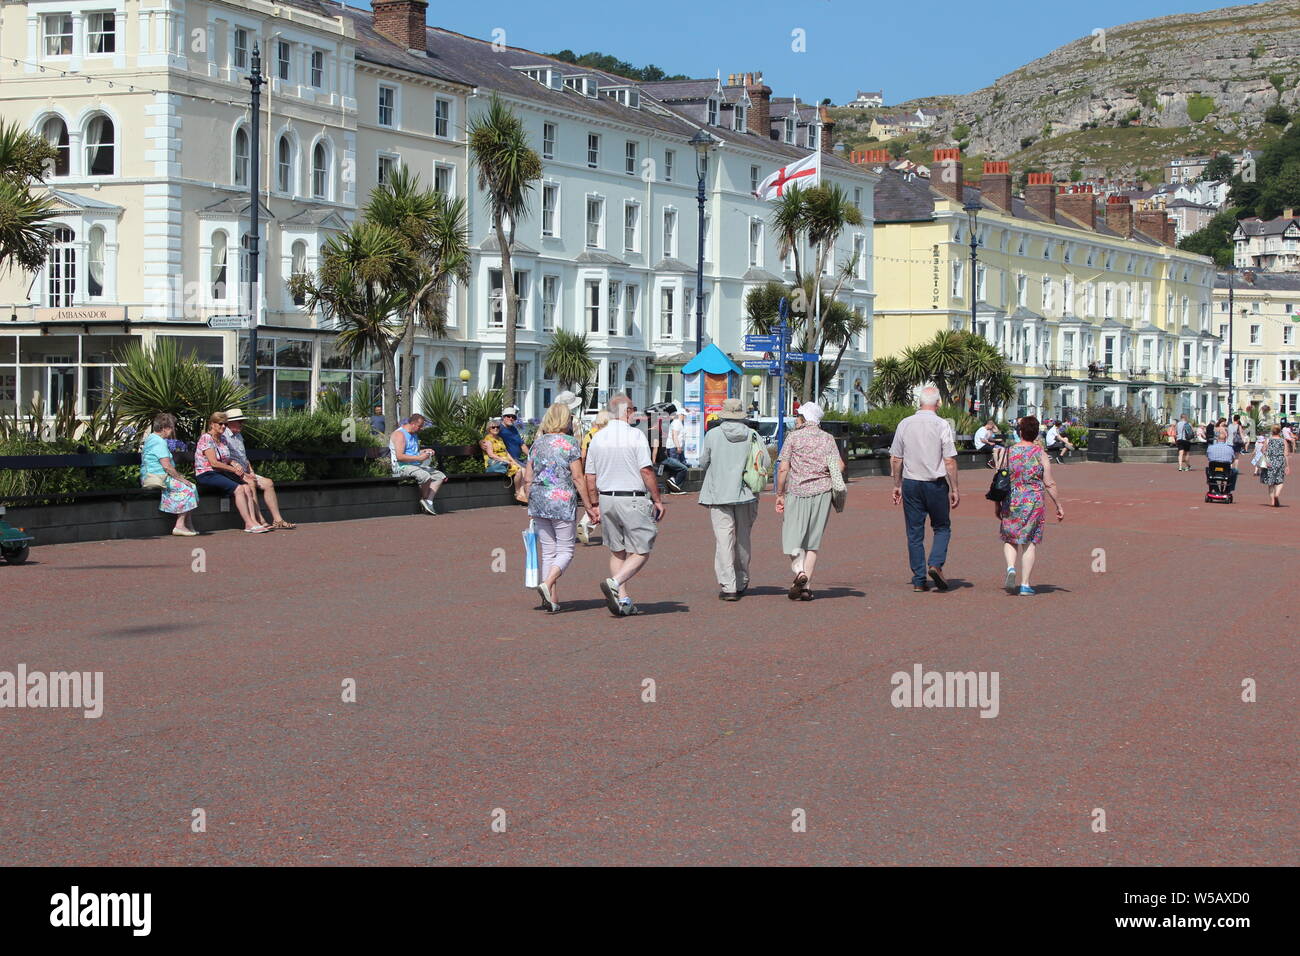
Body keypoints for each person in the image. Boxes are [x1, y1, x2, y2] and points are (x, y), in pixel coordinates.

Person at [585, 395, 665, 617]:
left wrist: (593, 504)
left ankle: (623, 599)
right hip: (632, 497)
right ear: (628, 411)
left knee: (617, 550)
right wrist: (657, 499)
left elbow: (589, 475)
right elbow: (646, 470)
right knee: (642, 548)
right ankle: (615, 582)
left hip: (607, 498)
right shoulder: (635, 435)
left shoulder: (598, 437)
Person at [524, 402, 594, 613]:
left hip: (539, 498)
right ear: (566, 420)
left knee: (548, 552)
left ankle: (551, 599)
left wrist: (531, 498)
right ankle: (548, 584)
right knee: (566, 550)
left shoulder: (537, 443)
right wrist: (589, 505)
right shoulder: (570, 443)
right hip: (561, 500)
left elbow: (528, 477)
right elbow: (578, 477)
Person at [890, 386, 960, 592]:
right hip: (935, 483)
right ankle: (935, 563)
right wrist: (955, 488)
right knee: (942, 527)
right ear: (938, 403)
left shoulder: (905, 424)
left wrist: (896, 484)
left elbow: (896, 458)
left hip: (911, 482)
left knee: (914, 533)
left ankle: (919, 579)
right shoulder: (941, 425)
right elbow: (949, 460)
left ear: (919, 403)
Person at [775, 401, 842, 601]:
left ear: (804, 418)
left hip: (797, 491)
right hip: (822, 492)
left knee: (792, 538)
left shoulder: (793, 438)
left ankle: (800, 573)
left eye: (798, 416)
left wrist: (780, 493)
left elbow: (783, 468)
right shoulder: (828, 438)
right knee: (812, 542)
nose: (796, 419)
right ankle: (806, 588)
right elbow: (839, 465)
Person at [699, 398, 759, 601]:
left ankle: (728, 585)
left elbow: (703, 461)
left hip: (719, 493)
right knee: (743, 538)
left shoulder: (713, 435)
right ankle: (742, 580)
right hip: (746, 493)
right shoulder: (752, 435)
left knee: (724, 540)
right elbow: (764, 461)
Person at [995, 416, 1063, 596]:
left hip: (1012, 499)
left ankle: (1011, 568)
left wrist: (997, 503)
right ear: (1036, 433)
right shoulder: (1039, 453)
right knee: (1029, 541)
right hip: (1033, 501)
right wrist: (1058, 505)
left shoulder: (1008, 452)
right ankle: (1025, 584)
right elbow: (1049, 482)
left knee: (1010, 537)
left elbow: (999, 480)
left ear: (1020, 432)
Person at [223, 409, 295, 530]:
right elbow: (225, 458)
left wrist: (250, 470)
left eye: (243, 421)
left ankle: (278, 520)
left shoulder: (239, 435)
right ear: (230, 422)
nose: (242, 423)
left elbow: (243, 457)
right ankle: (259, 520)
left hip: (245, 471)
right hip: (234, 472)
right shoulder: (224, 436)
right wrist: (245, 473)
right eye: (239, 421)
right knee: (251, 483)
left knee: (268, 483)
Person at [194, 412, 266, 533]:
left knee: (247, 487)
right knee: (239, 489)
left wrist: (234, 463)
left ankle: (254, 521)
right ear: (212, 424)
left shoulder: (222, 439)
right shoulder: (206, 438)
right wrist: (233, 469)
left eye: (225, 424)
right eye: (220, 424)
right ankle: (248, 523)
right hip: (206, 473)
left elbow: (226, 458)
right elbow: (214, 463)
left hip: (220, 472)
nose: (223, 427)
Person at [139, 412, 199, 536]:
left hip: (151, 476)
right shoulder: (159, 442)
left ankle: (188, 523)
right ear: (165, 428)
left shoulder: (151, 438)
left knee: (191, 487)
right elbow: (167, 467)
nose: (172, 431)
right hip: (158, 478)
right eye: (171, 428)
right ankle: (180, 525)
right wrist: (182, 479)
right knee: (188, 488)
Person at [390, 414, 445, 515]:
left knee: (440, 476)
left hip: (415, 466)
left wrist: (425, 451)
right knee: (425, 476)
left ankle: (428, 501)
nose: (421, 428)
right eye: (420, 426)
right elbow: (400, 456)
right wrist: (419, 458)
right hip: (401, 467)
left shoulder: (413, 434)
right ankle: (424, 500)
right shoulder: (400, 435)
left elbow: (413, 453)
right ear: (413, 424)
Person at [577, 410, 611, 545]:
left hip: (591, 472)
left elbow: (583, 455)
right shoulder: (610, 436)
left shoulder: (590, 435)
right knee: (607, 502)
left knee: (595, 502)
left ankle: (587, 522)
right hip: (606, 472)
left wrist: (583, 470)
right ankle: (602, 532)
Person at [481, 418, 527, 504]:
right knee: (519, 470)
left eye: (497, 427)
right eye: (493, 427)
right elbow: (491, 455)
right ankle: (518, 493)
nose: (496, 429)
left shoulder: (500, 439)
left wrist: (512, 461)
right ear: (489, 429)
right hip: (494, 463)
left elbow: (506, 452)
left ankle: (521, 494)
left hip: (504, 461)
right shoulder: (487, 440)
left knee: (521, 469)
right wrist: (505, 460)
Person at [652, 406, 689, 495]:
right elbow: (674, 435)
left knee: (680, 466)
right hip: (674, 448)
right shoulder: (677, 423)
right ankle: (675, 485)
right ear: (681, 414)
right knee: (681, 467)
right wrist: (678, 446)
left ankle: (673, 482)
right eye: (684, 415)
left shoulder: (678, 422)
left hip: (674, 448)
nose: (685, 417)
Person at [1262, 424, 1290, 506]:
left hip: (1269, 461)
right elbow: (1286, 454)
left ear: (1272, 431)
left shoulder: (1268, 440)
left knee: (1270, 483)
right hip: (1280, 461)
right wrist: (1287, 466)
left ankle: (1272, 501)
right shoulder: (1283, 441)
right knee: (1280, 481)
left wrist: (1266, 456)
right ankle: (1277, 494)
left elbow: (1263, 450)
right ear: (1279, 431)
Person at [1206, 427, 1239, 495]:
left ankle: (1215, 488)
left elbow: (1208, 458)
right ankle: (1228, 489)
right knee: (1235, 471)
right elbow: (1232, 460)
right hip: (1226, 472)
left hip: (1214, 471)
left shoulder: (1210, 447)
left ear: (1217, 439)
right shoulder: (1230, 448)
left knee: (1208, 471)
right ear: (1225, 439)